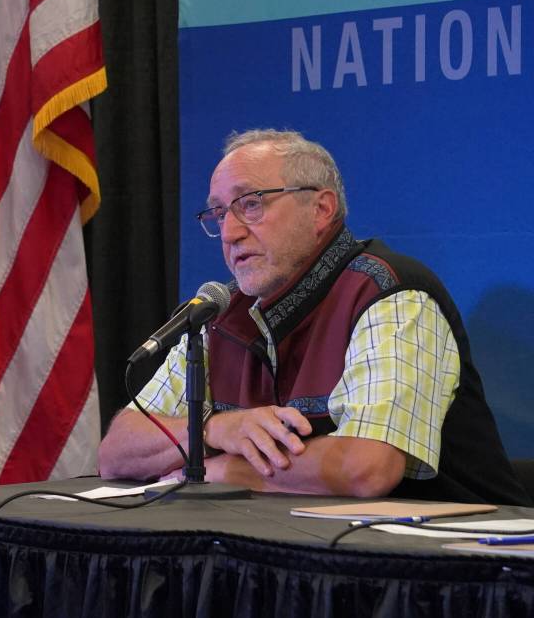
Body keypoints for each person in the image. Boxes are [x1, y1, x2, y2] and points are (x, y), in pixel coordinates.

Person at [99, 129, 530, 505]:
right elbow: (116, 453)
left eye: (250, 204)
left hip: (456, 574)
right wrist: (212, 429)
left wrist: (219, 471)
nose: (229, 232)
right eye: (218, 212)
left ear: (321, 209)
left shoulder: (389, 293)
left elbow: (367, 467)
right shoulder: (221, 314)